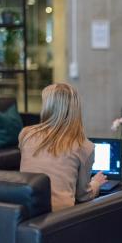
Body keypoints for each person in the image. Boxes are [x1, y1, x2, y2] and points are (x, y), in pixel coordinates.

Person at [19, 83, 107, 211]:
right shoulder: (85, 146)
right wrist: (96, 184)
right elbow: (83, 196)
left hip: (25, 210)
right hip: (58, 219)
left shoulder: (26, 134)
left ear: (47, 107)